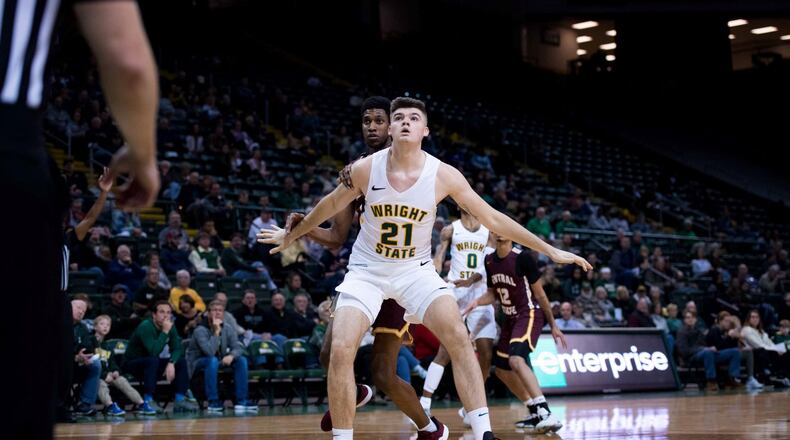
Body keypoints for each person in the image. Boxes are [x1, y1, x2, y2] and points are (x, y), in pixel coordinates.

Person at [259, 97, 590, 440]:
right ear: (392, 128)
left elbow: (493, 218)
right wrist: (292, 234)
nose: (404, 122)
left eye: (412, 118)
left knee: (459, 339)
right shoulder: (363, 169)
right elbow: (326, 206)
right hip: (367, 271)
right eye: (398, 116)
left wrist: (550, 249)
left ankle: (483, 433)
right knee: (339, 349)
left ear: (424, 129)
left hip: (415, 271)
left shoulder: (443, 174)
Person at [277, 97, 443, 438]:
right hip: (366, 272)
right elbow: (337, 236)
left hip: (402, 275)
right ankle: (354, 394)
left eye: (379, 121)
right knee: (329, 352)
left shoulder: (416, 165)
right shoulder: (356, 171)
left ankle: (429, 427)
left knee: (384, 372)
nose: (372, 127)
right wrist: (303, 227)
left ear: (394, 126)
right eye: (367, 121)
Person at [462, 234, 566, 433]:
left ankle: (545, 411)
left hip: (528, 314)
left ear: (510, 233)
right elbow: (493, 293)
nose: (499, 232)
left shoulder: (523, 258)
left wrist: (553, 324)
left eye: (503, 228)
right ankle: (534, 411)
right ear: (492, 233)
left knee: (516, 360)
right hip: (509, 320)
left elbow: (540, 294)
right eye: (495, 229)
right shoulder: (489, 260)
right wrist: (476, 302)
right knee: (501, 370)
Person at [421, 209, 494, 419]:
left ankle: (470, 407)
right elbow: (438, 257)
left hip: (480, 292)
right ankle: (424, 401)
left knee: (486, 354)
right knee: (445, 351)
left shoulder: (488, 231)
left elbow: (488, 264)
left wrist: (472, 280)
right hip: (456, 291)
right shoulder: (451, 229)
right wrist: (435, 275)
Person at [123, 301, 198, 412]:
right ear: (154, 315)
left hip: (152, 365)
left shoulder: (169, 326)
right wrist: (165, 331)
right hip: (132, 365)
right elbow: (153, 351)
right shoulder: (146, 326)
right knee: (153, 360)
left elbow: (177, 348)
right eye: (162, 312)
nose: (166, 315)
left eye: (168, 312)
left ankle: (180, 400)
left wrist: (171, 363)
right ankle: (148, 401)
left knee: (181, 362)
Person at [186, 301, 258, 413]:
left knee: (241, 360)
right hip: (198, 362)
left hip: (218, 360)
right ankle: (213, 401)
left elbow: (238, 347)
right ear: (208, 313)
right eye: (214, 310)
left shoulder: (228, 328)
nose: (217, 313)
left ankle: (241, 400)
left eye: (220, 311)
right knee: (212, 360)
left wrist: (231, 355)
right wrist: (216, 332)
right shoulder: (200, 330)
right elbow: (209, 352)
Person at [92, 315, 150, 416]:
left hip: (108, 374)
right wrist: (104, 375)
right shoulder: (90, 341)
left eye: (108, 325)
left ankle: (141, 404)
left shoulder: (106, 345)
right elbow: (92, 363)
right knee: (101, 384)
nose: (105, 327)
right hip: (96, 375)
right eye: (102, 324)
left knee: (122, 380)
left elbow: (112, 362)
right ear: (95, 327)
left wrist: (115, 370)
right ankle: (110, 406)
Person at [676, 311, 741, 391]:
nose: (690, 319)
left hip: (706, 353)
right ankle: (711, 381)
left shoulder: (699, 331)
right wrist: (703, 349)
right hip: (691, 357)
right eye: (688, 317)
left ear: (696, 319)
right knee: (708, 352)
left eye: (692, 317)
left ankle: (733, 378)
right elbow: (684, 351)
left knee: (735, 351)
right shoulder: (681, 332)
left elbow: (705, 344)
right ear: (684, 320)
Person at [741, 309, 790, 387]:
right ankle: (768, 373)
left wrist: (778, 349)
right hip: (754, 353)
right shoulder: (746, 330)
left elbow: (769, 342)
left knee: (785, 352)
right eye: (752, 317)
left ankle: (783, 376)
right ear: (748, 319)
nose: (755, 319)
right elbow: (757, 344)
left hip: (765, 351)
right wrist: (774, 349)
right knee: (764, 351)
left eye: (757, 317)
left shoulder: (762, 331)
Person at [71, 298, 101, 417]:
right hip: (60, 366)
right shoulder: (59, 324)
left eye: (84, 311)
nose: (81, 312)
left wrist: (85, 356)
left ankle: (85, 404)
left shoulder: (82, 328)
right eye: (78, 308)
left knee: (95, 364)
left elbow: (87, 347)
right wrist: (74, 357)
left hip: (76, 366)